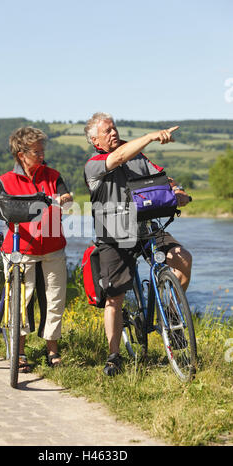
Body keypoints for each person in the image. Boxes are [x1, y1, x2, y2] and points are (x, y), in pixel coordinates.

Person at [84, 112, 192, 376]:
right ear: (95, 140)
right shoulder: (95, 164)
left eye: (114, 128)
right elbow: (118, 158)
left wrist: (177, 193)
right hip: (114, 234)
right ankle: (113, 357)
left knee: (182, 259)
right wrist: (152, 136)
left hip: (146, 226)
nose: (114, 133)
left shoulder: (138, 157)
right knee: (115, 296)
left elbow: (164, 179)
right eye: (107, 131)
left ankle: (173, 321)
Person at [0, 127, 72, 371]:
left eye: (42, 150)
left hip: (53, 246)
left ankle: (52, 351)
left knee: (55, 299)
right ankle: (20, 352)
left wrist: (65, 198)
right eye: (36, 151)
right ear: (21, 153)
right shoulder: (7, 180)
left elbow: (65, 194)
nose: (42, 155)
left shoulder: (52, 175)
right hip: (20, 248)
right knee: (21, 301)